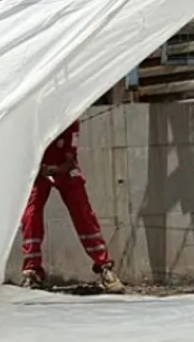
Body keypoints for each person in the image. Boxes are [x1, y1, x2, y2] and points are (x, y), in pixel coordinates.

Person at [20, 120, 125, 294]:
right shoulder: (36, 117)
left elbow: (69, 161)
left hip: (63, 169)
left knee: (82, 212)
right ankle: (32, 272)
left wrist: (54, 170)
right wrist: (39, 169)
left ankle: (104, 267)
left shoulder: (70, 119)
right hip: (40, 169)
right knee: (30, 215)